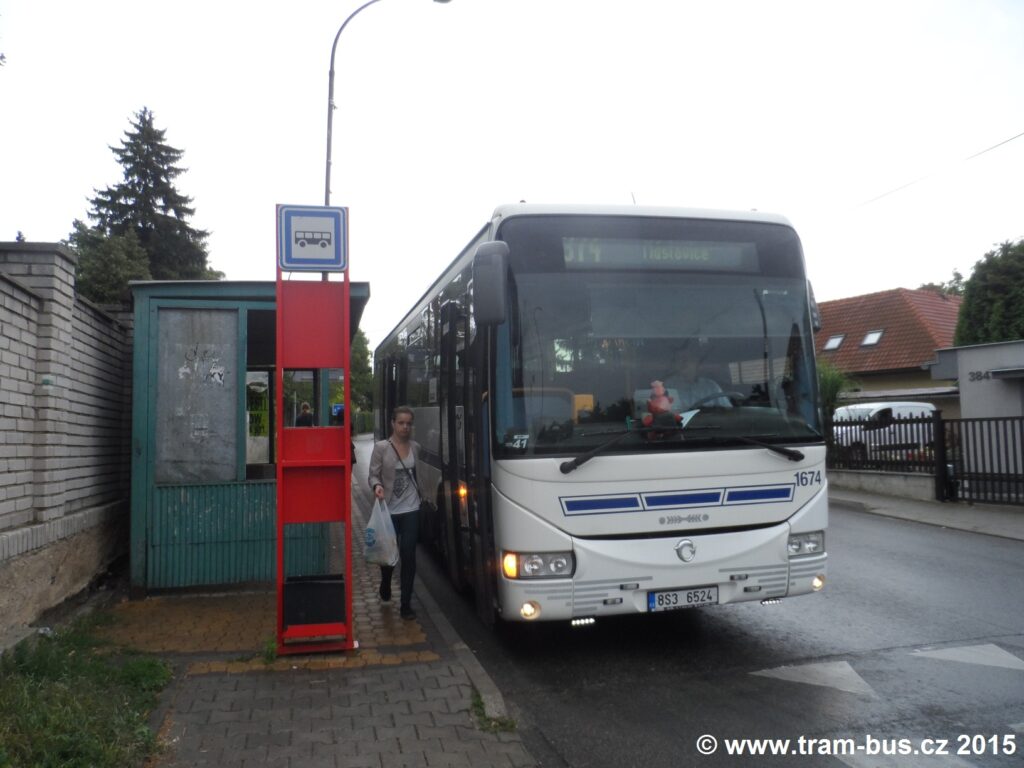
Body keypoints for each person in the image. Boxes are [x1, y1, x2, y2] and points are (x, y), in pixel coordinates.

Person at [368, 406, 422, 620]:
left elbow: (420, 475)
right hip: (389, 509)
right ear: (393, 423)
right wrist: (377, 487)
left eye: (408, 423)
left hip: (412, 508)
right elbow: (372, 475)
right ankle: (385, 583)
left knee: (408, 554)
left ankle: (406, 604)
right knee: (389, 557)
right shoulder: (381, 448)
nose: (405, 427)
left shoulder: (415, 448)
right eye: (401, 423)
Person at [666, 346, 731, 409]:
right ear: (674, 365)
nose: (684, 362)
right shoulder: (669, 386)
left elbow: (727, 412)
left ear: (696, 363)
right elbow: (672, 414)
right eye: (680, 359)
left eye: (688, 359)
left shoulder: (711, 386)